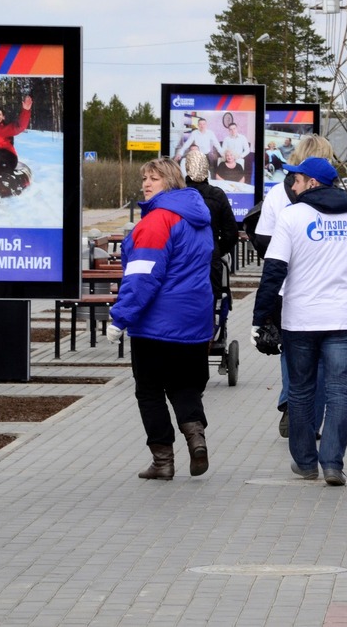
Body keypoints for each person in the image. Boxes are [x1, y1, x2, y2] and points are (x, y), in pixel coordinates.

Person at [252, 157, 347, 486]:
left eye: (296, 180)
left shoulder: (292, 217)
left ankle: (305, 462)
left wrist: (260, 318)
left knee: (300, 392)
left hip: (300, 319)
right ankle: (332, 464)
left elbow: (274, 271)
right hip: (343, 319)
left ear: (312, 182)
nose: (293, 187)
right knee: (340, 392)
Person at [106, 158, 214, 481]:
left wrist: (120, 318)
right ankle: (196, 437)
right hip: (195, 322)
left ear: (170, 181)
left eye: (154, 178)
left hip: (156, 324)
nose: (146, 184)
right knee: (184, 384)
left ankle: (163, 460)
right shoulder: (198, 218)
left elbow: (142, 277)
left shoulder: (157, 221)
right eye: (144, 179)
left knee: (149, 390)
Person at [251, 134, 335, 437]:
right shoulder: (333, 195)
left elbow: (262, 238)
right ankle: (310, 418)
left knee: (291, 350)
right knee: (323, 358)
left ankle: (291, 404)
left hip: (284, 285)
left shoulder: (277, 194)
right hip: (324, 285)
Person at [184, 151, 238, 306]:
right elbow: (231, 233)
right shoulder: (217, 195)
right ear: (207, 169)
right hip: (210, 262)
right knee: (209, 311)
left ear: (187, 169)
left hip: (183, 263)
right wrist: (217, 249)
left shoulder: (178, 195)